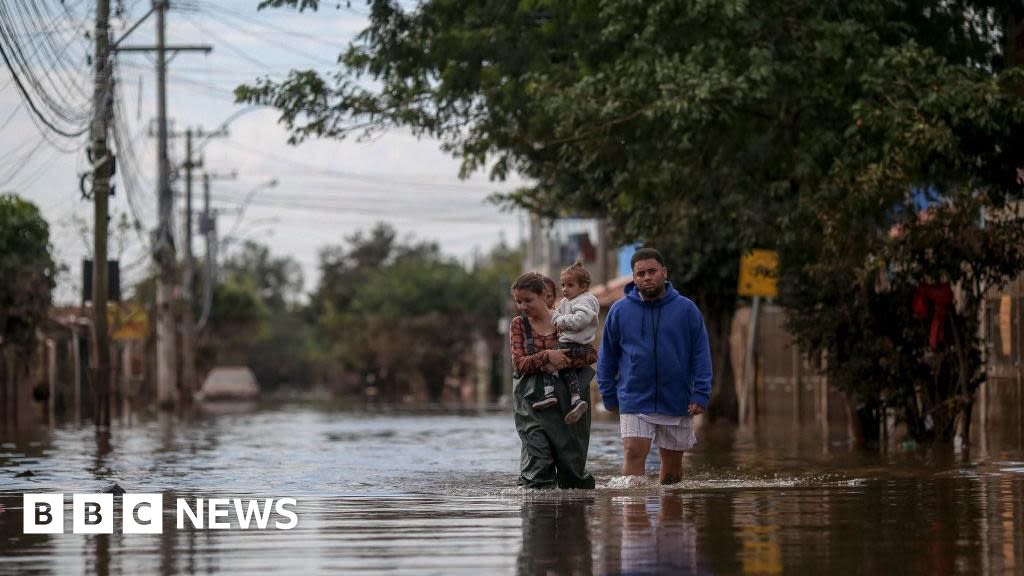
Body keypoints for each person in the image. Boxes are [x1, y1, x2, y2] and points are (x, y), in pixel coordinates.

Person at [597, 247, 712, 485]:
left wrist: (701, 393)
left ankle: (669, 521)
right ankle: (634, 518)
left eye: (652, 271)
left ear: (664, 272)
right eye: (640, 274)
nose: (646, 277)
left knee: (671, 471)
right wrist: (608, 394)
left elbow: (701, 354)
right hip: (634, 398)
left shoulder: (687, 310)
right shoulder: (619, 311)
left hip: (677, 399)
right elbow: (607, 356)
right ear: (634, 277)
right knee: (633, 452)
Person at [510, 272, 597, 489]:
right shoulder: (519, 325)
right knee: (538, 464)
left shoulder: (565, 320)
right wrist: (547, 356)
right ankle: (537, 516)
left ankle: (574, 518)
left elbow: (591, 355)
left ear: (543, 296)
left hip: (569, 403)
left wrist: (564, 360)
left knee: (572, 472)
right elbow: (519, 364)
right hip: (531, 403)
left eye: (528, 300)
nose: (522, 306)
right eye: (518, 301)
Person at [533, 261, 599, 426]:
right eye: (562, 285)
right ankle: (576, 400)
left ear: (583, 286)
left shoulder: (585, 300)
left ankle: (549, 394)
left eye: (570, 285)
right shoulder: (566, 302)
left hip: (577, 345)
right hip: (571, 344)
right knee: (567, 369)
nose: (565, 289)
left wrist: (558, 320)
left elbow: (580, 320)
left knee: (548, 358)